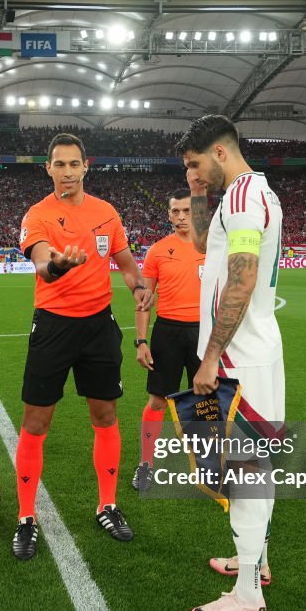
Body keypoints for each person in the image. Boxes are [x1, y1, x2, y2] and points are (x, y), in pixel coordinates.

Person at [11, 132, 153, 561]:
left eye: (74, 164)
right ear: (48, 168)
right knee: (36, 422)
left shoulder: (106, 213)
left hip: (98, 327)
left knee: (105, 415)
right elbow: (40, 261)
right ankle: (26, 517)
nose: (67, 172)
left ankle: (107, 504)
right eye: (60, 164)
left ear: (86, 166)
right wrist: (55, 263)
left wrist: (138, 286)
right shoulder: (38, 214)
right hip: (53, 326)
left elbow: (126, 265)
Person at [178, 114, 284, 611]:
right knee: (254, 468)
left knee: (244, 473)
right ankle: (255, 564)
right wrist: (196, 191)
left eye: (197, 165)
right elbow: (202, 246)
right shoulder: (247, 196)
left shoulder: (243, 199)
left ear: (219, 152)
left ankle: (246, 595)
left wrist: (211, 357)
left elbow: (239, 283)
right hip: (252, 352)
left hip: (239, 358)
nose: (194, 175)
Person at [132, 189, 202, 492]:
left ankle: (206, 466)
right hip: (167, 332)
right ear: (169, 214)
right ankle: (146, 464)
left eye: (186, 211)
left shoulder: (214, 247)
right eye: (176, 211)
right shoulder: (158, 251)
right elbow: (144, 301)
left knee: (205, 403)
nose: (181, 217)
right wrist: (141, 341)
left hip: (204, 334)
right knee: (158, 401)